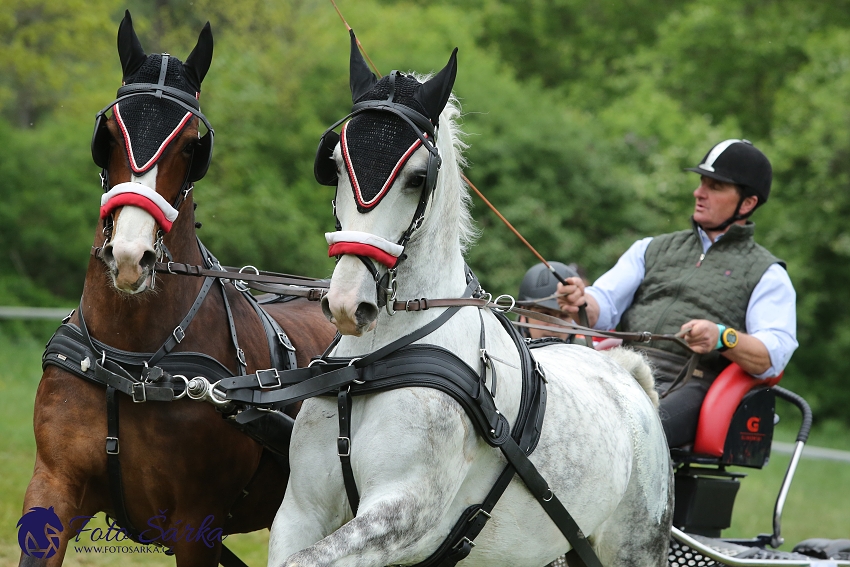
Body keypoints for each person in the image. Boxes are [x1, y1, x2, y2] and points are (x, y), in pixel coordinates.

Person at [556, 139, 798, 448]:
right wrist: (580, 300)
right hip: (624, 364)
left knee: (628, 436)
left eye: (716, 186)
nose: (699, 192)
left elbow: (772, 355)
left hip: (690, 383)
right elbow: (603, 303)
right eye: (701, 182)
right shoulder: (651, 248)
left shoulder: (768, 274)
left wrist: (723, 336)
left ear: (747, 203)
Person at [517, 262, 580, 341]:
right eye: (546, 315)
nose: (555, 327)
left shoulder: (588, 351)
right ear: (523, 315)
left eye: (564, 316)